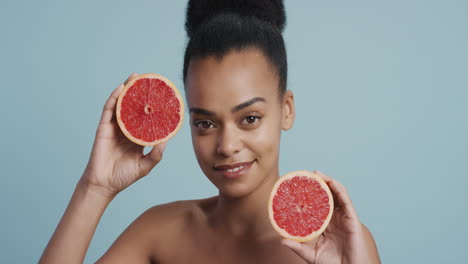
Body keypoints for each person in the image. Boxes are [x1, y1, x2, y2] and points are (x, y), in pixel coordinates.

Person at [39, 0, 381, 263]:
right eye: (205, 123)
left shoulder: (338, 242)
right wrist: (94, 188)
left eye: (250, 118)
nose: (227, 145)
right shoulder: (160, 232)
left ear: (286, 110)